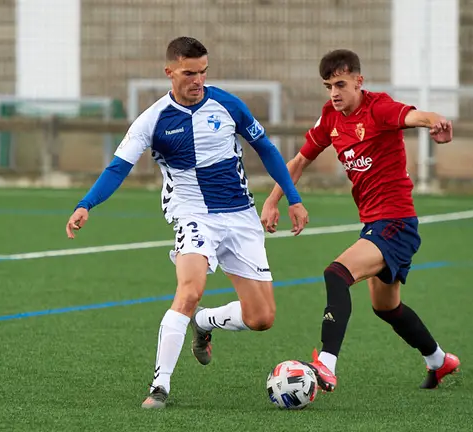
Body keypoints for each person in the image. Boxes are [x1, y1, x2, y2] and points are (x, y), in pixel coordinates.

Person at [65, 36, 309, 409]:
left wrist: (292, 198)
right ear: (170, 73)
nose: (198, 80)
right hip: (192, 214)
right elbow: (118, 167)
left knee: (262, 318)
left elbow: (267, 149)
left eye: (203, 72)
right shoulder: (153, 119)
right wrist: (87, 204)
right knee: (189, 291)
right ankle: (160, 386)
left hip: (240, 217)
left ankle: (206, 322)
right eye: (189, 73)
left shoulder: (228, 104)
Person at [260, 49, 459, 393]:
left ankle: (326, 364)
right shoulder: (330, 118)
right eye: (328, 86)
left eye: (340, 84)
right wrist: (273, 199)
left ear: (358, 81)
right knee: (387, 307)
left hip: (396, 222)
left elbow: (413, 116)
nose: (334, 93)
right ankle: (440, 361)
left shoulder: (378, 107)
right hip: (375, 224)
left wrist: (435, 122)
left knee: (336, 273)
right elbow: (298, 161)